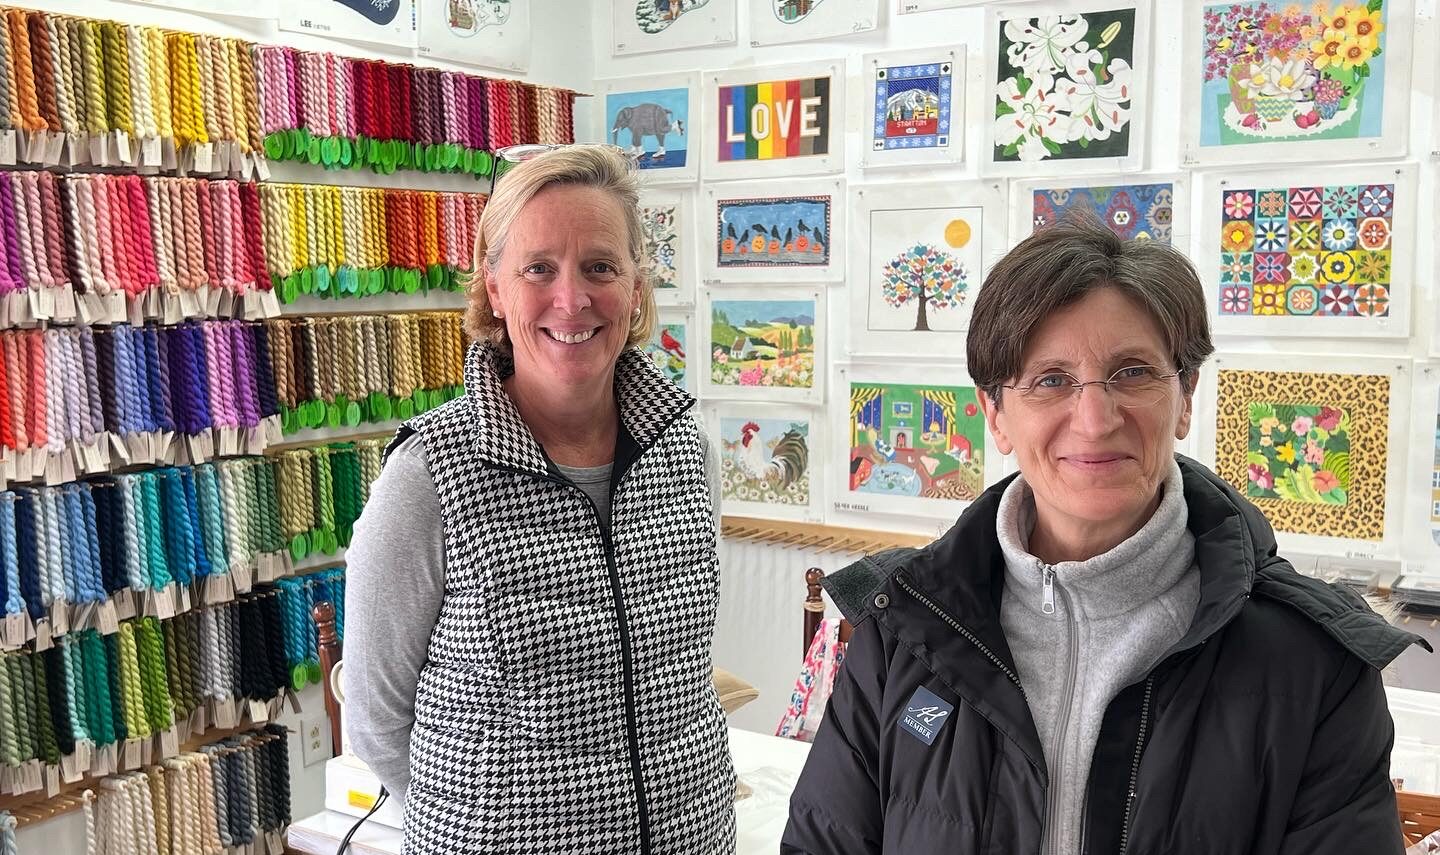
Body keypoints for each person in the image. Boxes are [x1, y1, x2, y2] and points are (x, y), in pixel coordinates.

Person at [783, 218, 1430, 854]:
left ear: (1185, 396)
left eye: (1133, 372)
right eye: (1051, 380)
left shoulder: (1314, 665)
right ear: (996, 415)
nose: (1095, 420)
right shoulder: (901, 629)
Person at [344, 145, 735, 854]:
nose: (572, 299)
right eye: (537, 268)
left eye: (601, 267)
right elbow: (374, 720)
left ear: (637, 287)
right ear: (494, 287)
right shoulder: (429, 476)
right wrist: (485, 824)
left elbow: (684, 671)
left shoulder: (687, 451)